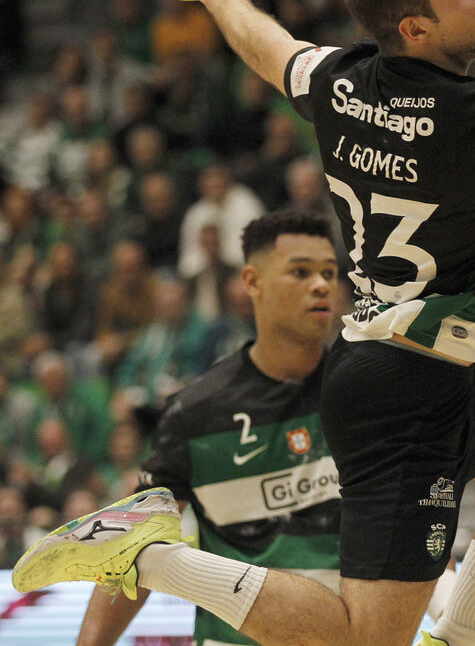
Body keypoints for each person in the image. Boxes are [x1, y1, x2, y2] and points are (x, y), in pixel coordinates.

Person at [15, 0, 475, 645]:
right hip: (407, 391)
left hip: (414, 369)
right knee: (363, 640)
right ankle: (151, 557)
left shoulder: (340, 81)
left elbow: (266, 45)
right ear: (416, 27)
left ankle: (456, 636)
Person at [75, 211, 353, 646]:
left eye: (329, 273)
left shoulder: (366, 398)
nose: (321, 285)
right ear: (252, 282)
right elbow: (135, 546)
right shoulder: (195, 413)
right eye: (301, 272)